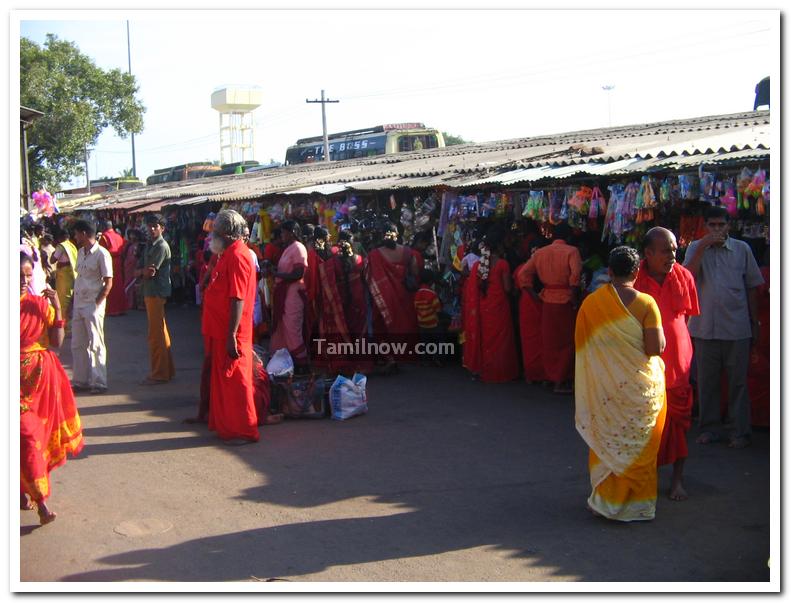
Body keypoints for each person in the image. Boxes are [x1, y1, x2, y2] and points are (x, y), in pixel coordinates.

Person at [575, 246, 667, 522]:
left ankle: (605, 502)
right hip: (641, 389)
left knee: (609, 441)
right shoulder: (647, 303)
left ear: (610, 272)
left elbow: (583, 346)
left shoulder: (591, 304)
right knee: (640, 446)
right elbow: (654, 349)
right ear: (637, 272)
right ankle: (638, 506)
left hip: (606, 390)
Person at [683, 206, 764, 449]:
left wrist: (755, 322)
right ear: (705, 226)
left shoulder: (742, 249)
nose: (717, 229)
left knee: (738, 382)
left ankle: (740, 431)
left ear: (729, 225)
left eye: (721, 225)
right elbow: (687, 279)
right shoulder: (695, 248)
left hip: (737, 327)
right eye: (712, 225)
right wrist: (701, 247)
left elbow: (752, 286)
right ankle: (709, 428)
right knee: (707, 382)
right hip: (704, 327)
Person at [634, 227, 700, 501]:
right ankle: (646, 479)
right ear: (648, 254)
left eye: (674, 250)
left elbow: (687, 317)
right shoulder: (634, 279)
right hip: (645, 364)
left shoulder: (684, 276)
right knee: (645, 425)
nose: (672, 255)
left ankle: (677, 481)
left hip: (677, 365)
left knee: (679, 423)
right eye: (665, 251)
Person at [20, 253, 84, 525]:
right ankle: (39, 499)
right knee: (26, 438)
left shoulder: (37, 305)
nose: (24, 280)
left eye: (27, 275)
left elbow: (56, 342)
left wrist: (57, 306)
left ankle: (29, 495)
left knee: (35, 439)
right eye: (18, 275)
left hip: (40, 386)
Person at [201, 209, 259, 444]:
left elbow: (237, 298)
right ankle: (226, 425)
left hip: (232, 331)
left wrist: (231, 335)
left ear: (226, 233)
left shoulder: (238, 257)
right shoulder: (227, 254)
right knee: (224, 381)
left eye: (215, 230)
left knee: (236, 381)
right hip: (219, 328)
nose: (212, 235)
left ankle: (243, 430)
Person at [518, 222, 582, 394]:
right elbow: (575, 277)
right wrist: (574, 298)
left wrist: (534, 296)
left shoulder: (540, 253)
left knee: (549, 342)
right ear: (568, 237)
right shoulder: (572, 251)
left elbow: (523, 274)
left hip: (547, 302)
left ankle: (550, 377)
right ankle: (561, 380)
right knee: (567, 342)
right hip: (565, 302)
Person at [461, 227, 519, 383]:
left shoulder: (479, 265)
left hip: (484, 306)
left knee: (486, 338)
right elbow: (507, 288)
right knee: (501, 340)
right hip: (499, 306)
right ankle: (500, 371)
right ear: (498, 246)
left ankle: (484, 369)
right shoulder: (502, 264)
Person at [364, 221, 419, 372]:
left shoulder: (374, 255)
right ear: (397, 235)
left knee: (383, 327)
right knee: (405, 324)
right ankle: (405, 356)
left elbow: (368, 276)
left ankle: (390, 358)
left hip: (383, 298)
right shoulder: (408, 252)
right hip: (405, 297)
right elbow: (415, 274)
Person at [316, 230, 371, 374]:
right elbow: (367, 281)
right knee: (359, 333)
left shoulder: (332, 263)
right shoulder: (360, 260)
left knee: (341, 332)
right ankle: (361, 365)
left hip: (339, 303)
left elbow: (325, 282)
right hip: (358, 303)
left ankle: (342, 363)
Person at [70, 220, 113, 394]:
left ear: (84, 233)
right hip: (79, 303)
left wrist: (97, 304)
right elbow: (79, 277)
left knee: (96, 343)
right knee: (77, 344)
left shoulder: (102, 254)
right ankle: (81, 381)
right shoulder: (80, 252)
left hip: (93, 304)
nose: (75, 236)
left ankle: (99, 382)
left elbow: (108, 282)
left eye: (76, 233)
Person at [268, 220, 311, 371]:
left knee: (293, 329)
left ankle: (302, 364)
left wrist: (276, 274)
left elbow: (299, 273)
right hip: (285, 294)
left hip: (294, 294)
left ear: (291, 233)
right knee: (283, 328)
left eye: (283, 233)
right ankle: (286, 363)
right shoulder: (288, 248)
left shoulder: (298, 248)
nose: (281, 236)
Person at [138, 214, 175, 385]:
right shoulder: (151, 245)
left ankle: (160, 372)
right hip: (151, 291)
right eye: (150, 226)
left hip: (155, 292)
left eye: (155, 226)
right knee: (160, 332)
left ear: (162, 228)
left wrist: (138, 273)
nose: (152, 229)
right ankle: (167, 370)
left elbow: (149, 272)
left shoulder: (161, 246)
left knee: (156, 335)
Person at [514, 240, 547, 383]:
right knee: (541, 339)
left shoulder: (521, 268)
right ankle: (540, 373)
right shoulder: (543, 268)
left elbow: (514, 290)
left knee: (531, 340)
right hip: (538, 303)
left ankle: (532, 374)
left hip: (527, 304)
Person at [50, 227, 79, 330]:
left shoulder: (61, 246)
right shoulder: (72, 246)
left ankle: (62, 326)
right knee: (70, 300)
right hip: (72, 275)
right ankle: (69, 324)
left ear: (60, 237)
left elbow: (52, 260)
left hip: (64, 277)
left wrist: (53, 253)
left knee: (63, 301)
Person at [414, 269, 443, 366]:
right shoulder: (432, 294)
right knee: (439, 341)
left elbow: (415, 307)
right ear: (431, 281)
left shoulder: (417, 293)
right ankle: (438, 358)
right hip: (433, 323)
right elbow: (438, 309)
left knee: (425, 342)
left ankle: (426, 359)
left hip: (422, 323)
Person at [98, 220, 127, 316]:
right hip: (119, 261)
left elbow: (101, 252)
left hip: (109, 261)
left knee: (110, 284)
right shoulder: (118, 236)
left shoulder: (104, 237)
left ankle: (112, 310)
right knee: (119, 284)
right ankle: (121, 308)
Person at [123, 229, 143, 310]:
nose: (132, 236)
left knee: (133, 286)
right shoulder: (129, 245)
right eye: (131, 235)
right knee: (128, 285)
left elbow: (136, 257)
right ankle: (128, 303)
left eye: (134, 235)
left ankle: (133, 304)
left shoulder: (139, 245)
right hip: (128, 267)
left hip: (134, 267)